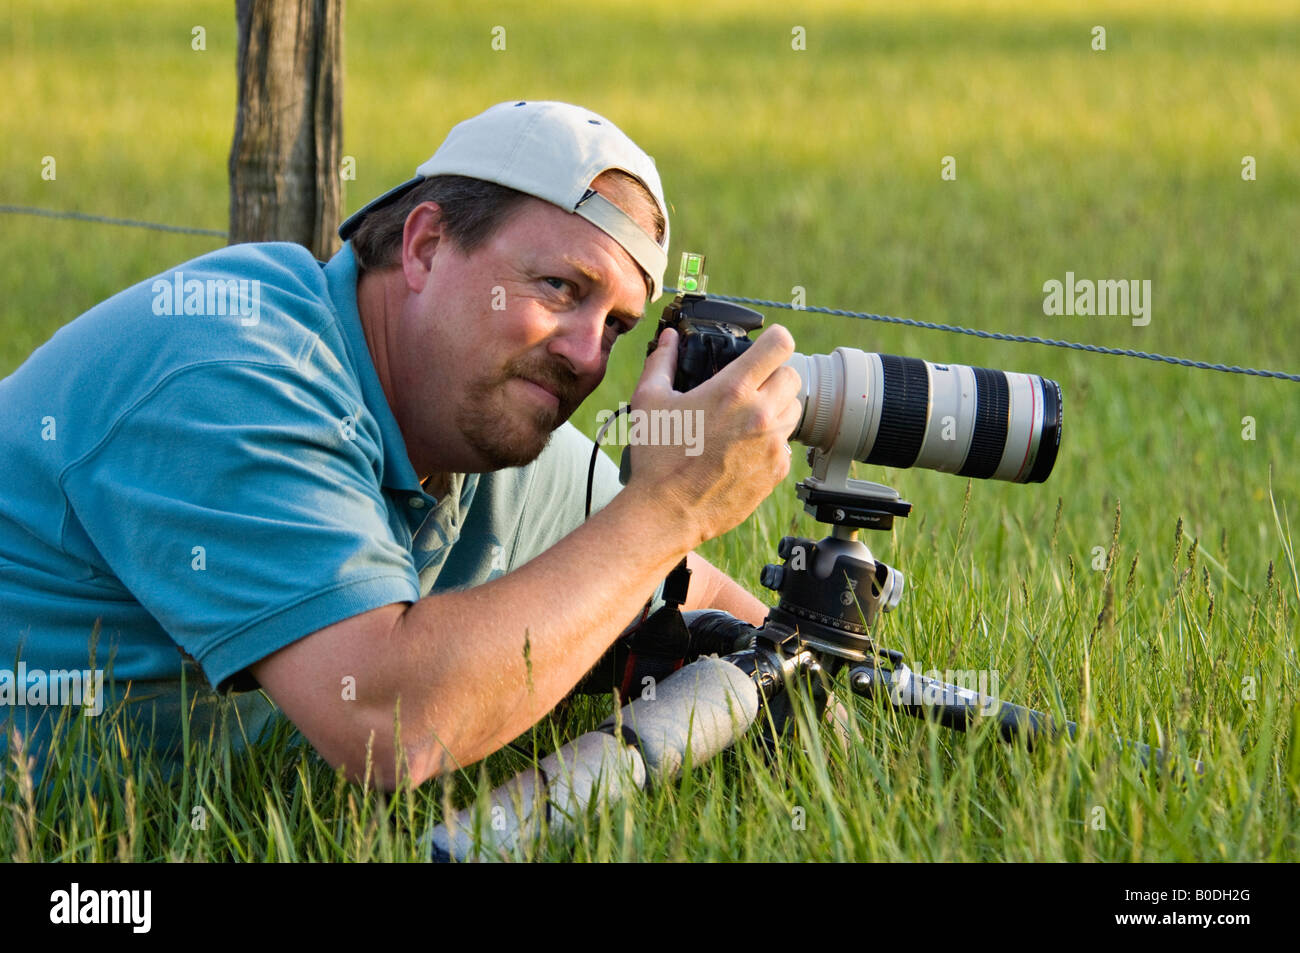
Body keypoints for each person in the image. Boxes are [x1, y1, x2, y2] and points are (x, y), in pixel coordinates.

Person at [0, 100, 802, 789]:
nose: (588, 355)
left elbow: (689, 593)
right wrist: (667, 507)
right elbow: (386, 724)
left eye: (618, 326)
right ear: (423, 246)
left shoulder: (480, 419)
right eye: (561, 287)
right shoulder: (232, 374)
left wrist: (820, 677)